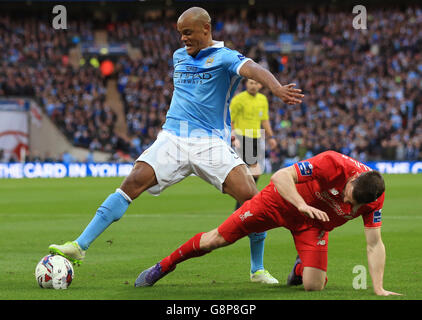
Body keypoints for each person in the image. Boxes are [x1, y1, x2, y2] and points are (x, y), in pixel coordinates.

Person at [48, 7, 304, 284]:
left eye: (188, 32)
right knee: (132, 182)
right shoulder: (179, 56)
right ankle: (79, 246)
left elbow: (252, 68)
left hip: (209, 142)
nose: (183, 39)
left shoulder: (225, 57)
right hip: (174, 137)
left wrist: (277, 88)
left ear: (206, 29)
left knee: (251, 198)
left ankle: (257, 269)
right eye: (180, 33)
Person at [134, 151, 401, 296]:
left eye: (356, 205)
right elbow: (281, 177)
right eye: (347, 196)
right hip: (277, 203)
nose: (348, 205)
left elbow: (374, 243)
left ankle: (300, 268)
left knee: (314, 286)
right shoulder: (333, 163)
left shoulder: (374, 199)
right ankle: (163, 266)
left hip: (311, 225)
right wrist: (301, 204)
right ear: (352, 179)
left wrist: (378, 288)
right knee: (217, 239)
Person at [230, 78, 278, 281]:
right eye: (249, 82)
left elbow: (264, 119)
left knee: (256, 173)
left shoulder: (262, 100)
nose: (252, 85)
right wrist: (232, 135)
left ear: (260, 85)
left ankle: (239, 205)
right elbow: (230, 119)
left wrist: (272, 136)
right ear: (246, 84)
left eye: (255, 83)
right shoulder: (238, 99)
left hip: (257, 137)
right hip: (241, 137)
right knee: (246, 173)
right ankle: (242, 203)